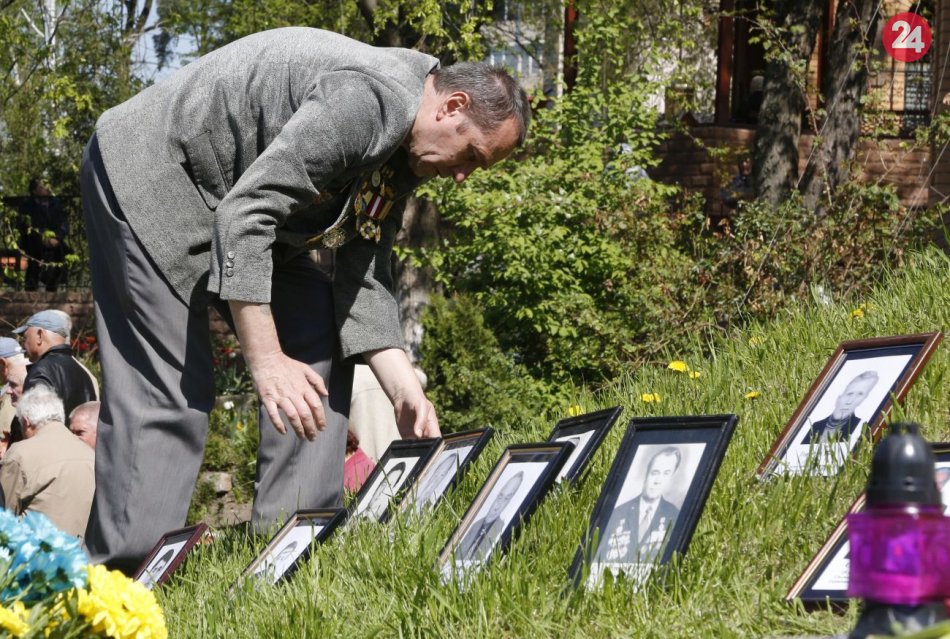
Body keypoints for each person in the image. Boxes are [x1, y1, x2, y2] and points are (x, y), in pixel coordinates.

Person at [80, 26, 529, 572]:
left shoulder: (408, 148)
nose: (462, 176)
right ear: (452, 106)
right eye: (472, 156)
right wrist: (267, 360)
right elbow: (245, 216)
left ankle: (292, 546)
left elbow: (363, 271)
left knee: (319, 326)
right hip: (151, 175)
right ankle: (125, 578)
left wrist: (403, 389)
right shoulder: (369, 102)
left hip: (239, 209)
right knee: (170, 386)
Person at [0, 386, 95, 538]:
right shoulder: (90, 454)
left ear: (26, 421)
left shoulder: (20, 454)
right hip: (79, 550)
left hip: (33, 548)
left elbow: (4, 515)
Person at [596, 447, 682, 566]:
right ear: (646, 474)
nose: (658, 480)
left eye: (666, 474)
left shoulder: (674, 515)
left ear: (671, 477)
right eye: (655, 473)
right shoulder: (618, 513)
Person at [14, 309, 99, 424]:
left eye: (26, 338)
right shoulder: (82, 372)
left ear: (39, 335)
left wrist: (16, 432)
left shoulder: (41, 370)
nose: (24, 345)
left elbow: (34, 421)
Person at [456, 470, 524, 562]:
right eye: (500, 497)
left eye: (506, 499)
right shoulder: (474, 525)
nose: (497, 507)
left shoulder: (501, 531)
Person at [17, 177, 69, 291]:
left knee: (62, 256)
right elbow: (23, 225)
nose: (47, 188)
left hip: (54, 240)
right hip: (33, 240)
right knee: (33, 261)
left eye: (47, 185)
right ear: (34, 191)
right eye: (42, 186)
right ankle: (30, 291)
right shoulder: (27, 204)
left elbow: (64, 223)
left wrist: (57, 237)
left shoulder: (55, 202)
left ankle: (52, 289)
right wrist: (42, 236)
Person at [803, 371, 880, 445]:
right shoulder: (815, 426)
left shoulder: (860, 429)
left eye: (860, 395)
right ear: (839, 397)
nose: (850, 401)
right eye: (849, 393)